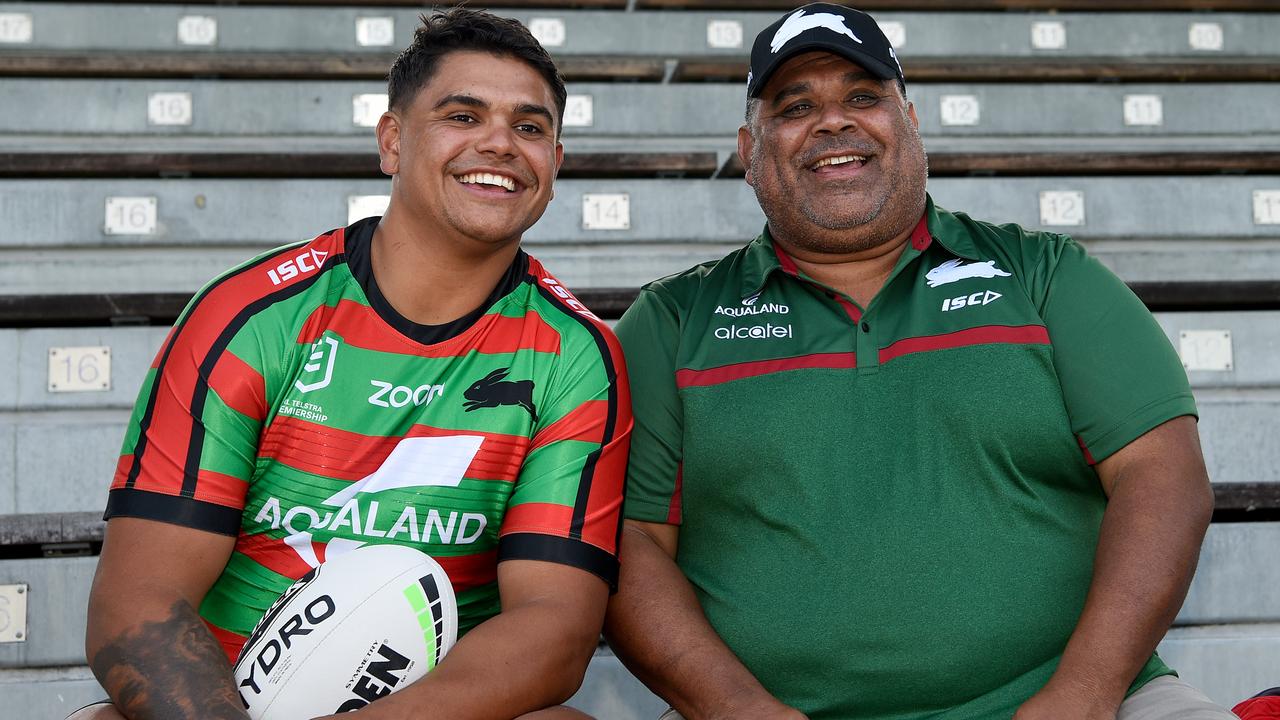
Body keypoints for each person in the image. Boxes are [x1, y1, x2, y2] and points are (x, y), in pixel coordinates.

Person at [605, 4, 1231, 719]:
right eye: (796, 106)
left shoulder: (1045, 276)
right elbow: (630, 543)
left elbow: (1163, 475)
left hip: (1086, 697)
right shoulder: (673, 320)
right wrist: (736, 708)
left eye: (863, 97)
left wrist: (1082, 692)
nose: (833, 122)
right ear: (750, 149)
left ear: (911, 122)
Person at [78, 9, 630, 720]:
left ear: (556, 165)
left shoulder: (578, 357)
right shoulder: (252, 316)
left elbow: (555, 628)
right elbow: (138, 603)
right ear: (392, 142)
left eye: (530, 128)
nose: (500, 142)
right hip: (224, 695)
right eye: (463, 116)